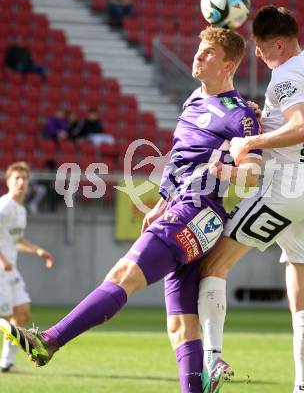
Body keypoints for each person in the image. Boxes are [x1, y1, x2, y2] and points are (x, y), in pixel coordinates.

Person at [0, 27, 261, 393]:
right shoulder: (193, 102)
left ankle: (49, 341)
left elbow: (252, 176)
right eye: (199, 51)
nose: (198, 57)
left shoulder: (240, 116)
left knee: (123, 273)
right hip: (179, 208)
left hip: (200, 211)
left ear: (229, 65)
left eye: (208, 54)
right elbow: (178, 163)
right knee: (181, 326)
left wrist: (226, 170)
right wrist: (159, 203)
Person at [197, 6, 304, 393]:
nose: (257, 53)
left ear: (278, 43)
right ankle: (303, 388)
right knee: (303, 295)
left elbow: (301, 126)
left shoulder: (284, 76)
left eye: (260, 46)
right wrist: (267, 119)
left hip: (285, 188)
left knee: (213, 266)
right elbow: (299, 119)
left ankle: (213, 361)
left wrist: (251, 139)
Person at [0, 162, 54, 372]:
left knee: (22, 313)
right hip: (1, 268)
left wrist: (38, 251)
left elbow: (17, 240)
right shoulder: (4, 206)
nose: (21, 182)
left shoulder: (20, 210)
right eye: (17, 178)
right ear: (8, 181)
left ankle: (6, 362)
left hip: (10, 270)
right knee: (4, 318)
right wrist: (2, 260)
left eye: (24, 178)